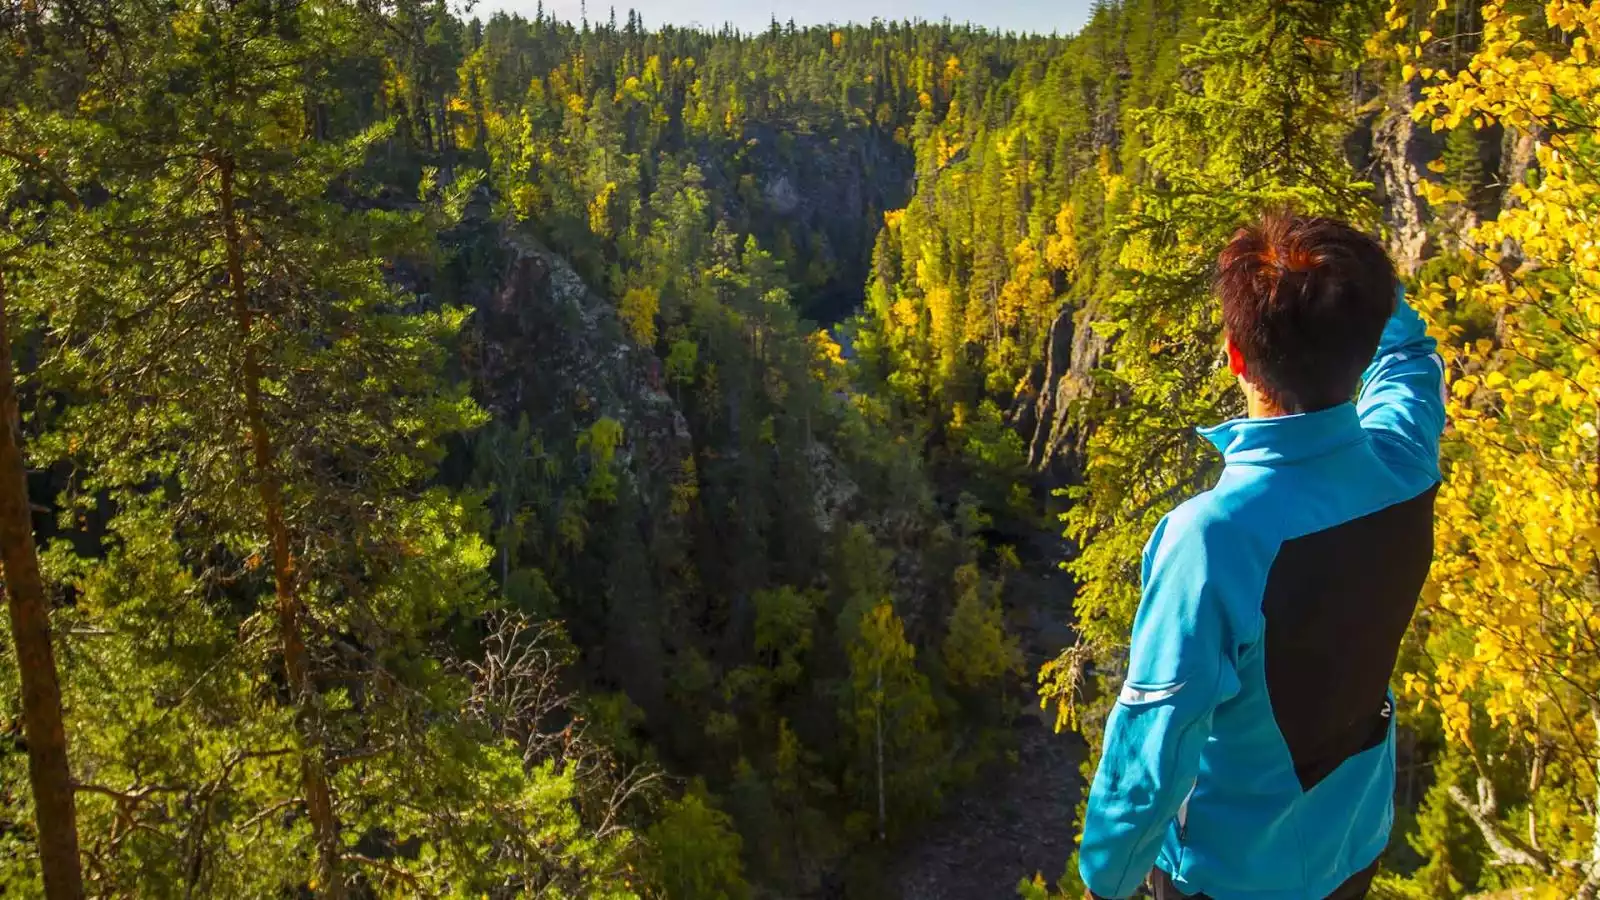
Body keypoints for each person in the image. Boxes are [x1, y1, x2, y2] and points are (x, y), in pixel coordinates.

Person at [1077, 214, 1446, 900]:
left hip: (1231, 877)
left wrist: (1107, 879)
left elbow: (1156, 739)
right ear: (1360, 347)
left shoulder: (1213, 540)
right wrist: (1356, 294)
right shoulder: (1404, 463)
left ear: (1236, 358)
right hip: (1353, 841)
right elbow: (1411, 358)